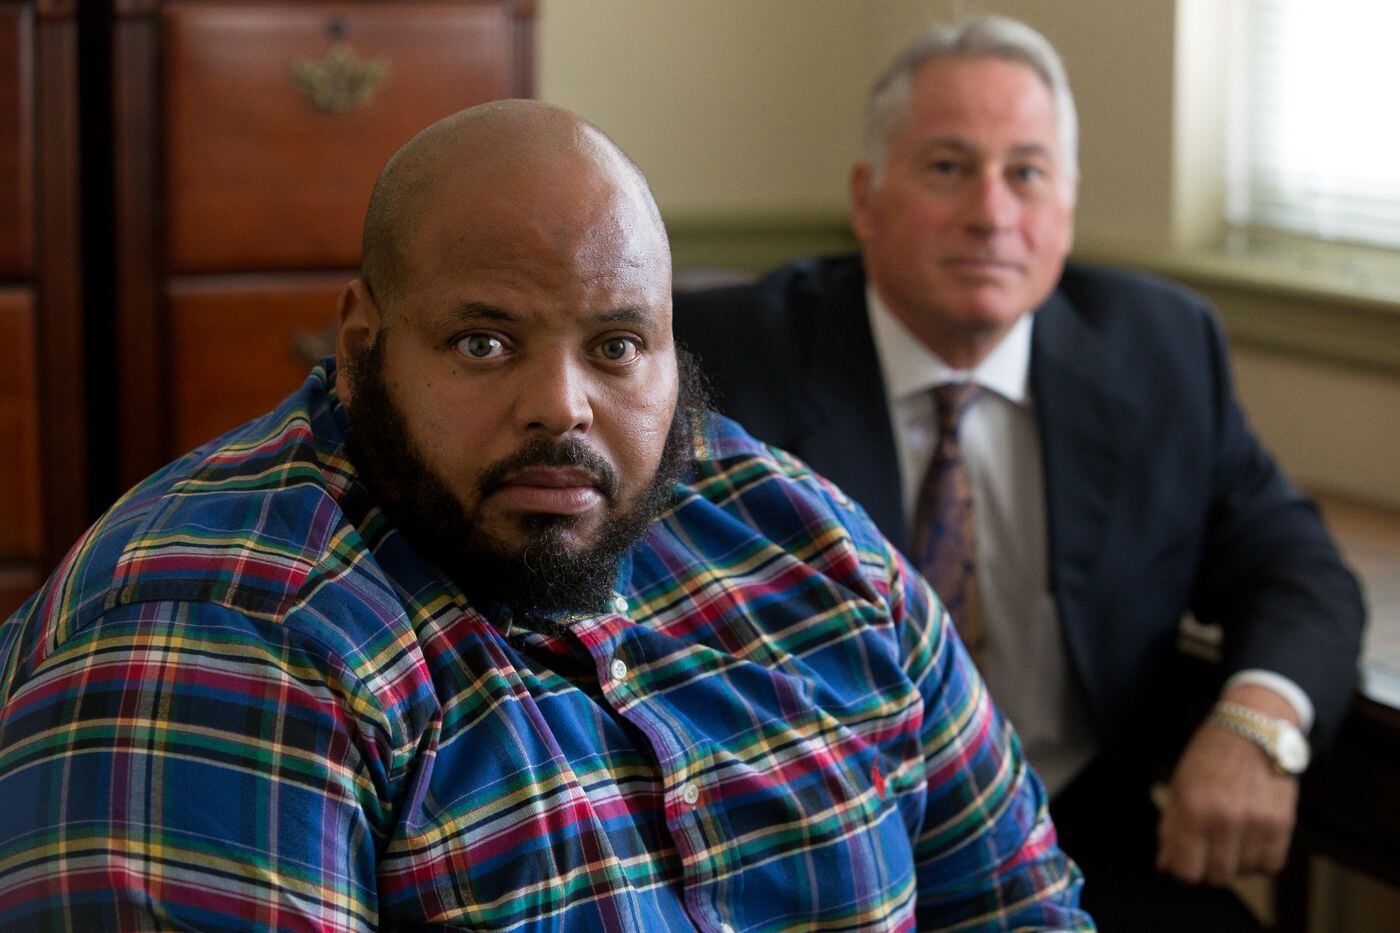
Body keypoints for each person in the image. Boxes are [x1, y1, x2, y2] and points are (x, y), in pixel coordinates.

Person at [0, 101, 1090, 931]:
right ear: (360, 338)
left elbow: (1018, 903)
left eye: (617, 347)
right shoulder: (218, 631)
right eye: (483, 342)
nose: (560, 408)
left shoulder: (797, 539)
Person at [672, 16, 1364, 931]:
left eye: (1027, 172)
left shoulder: (1160, 350)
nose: (993, 213)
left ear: (1067, 204)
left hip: (1085, 844)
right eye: (949, 168)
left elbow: (1297, 566)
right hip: (815, 865)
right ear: (865, 196)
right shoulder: (735, 361)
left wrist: (1258, 721)